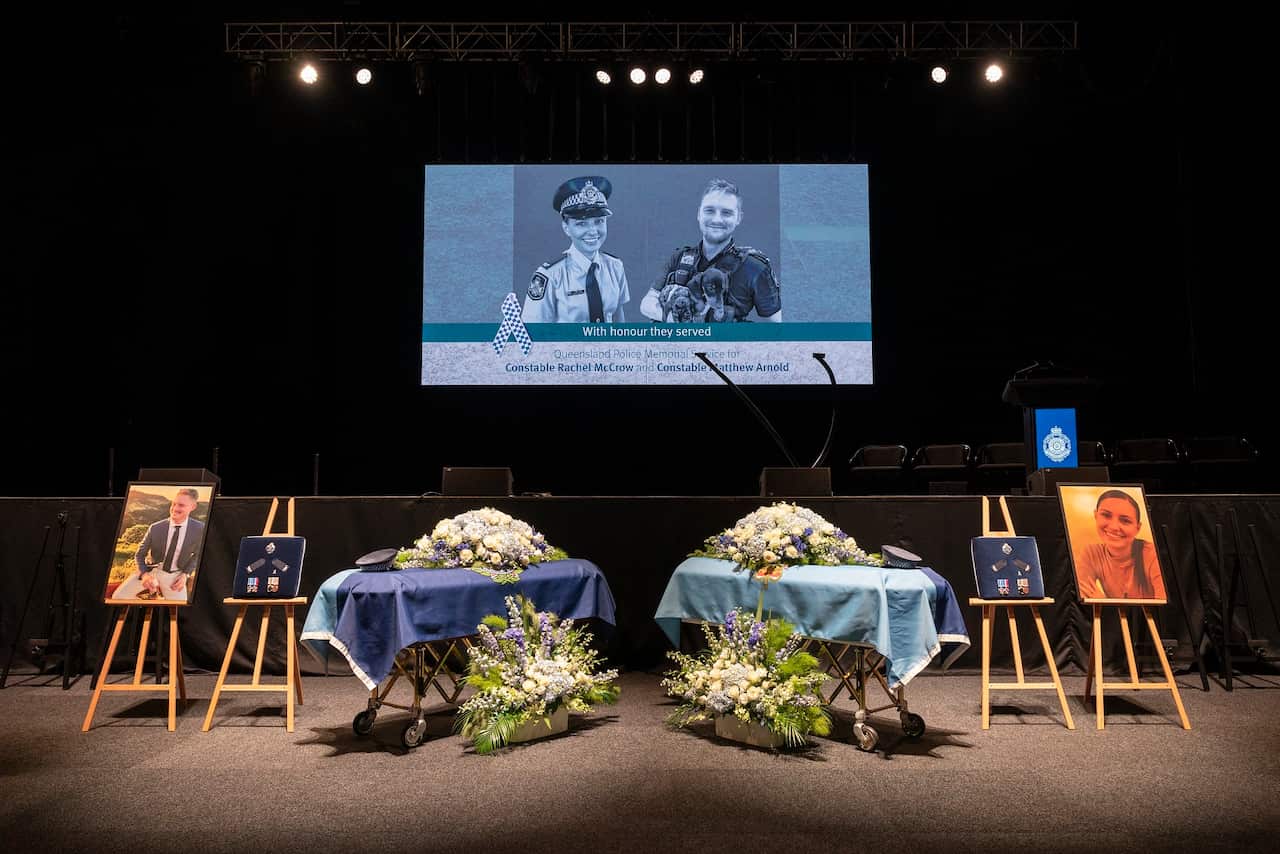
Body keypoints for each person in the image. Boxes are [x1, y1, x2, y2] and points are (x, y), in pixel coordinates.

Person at [640, 178, 781, 323]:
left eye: (726, 213)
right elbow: (646, 305)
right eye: (709, 211)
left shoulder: (755, 268)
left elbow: (778, 328)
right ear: (699, 214)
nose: (716, 220)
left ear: (738, 218)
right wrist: (679, 320)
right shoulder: (679, 257)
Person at [522, 176, 630, 323]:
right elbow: (533, 331)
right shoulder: (550, 276)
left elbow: (618, 321)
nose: (593, 231)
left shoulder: (615, 267)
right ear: (566, 228)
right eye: (582, 224)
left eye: (599, 221)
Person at [112, 488, 206, 601]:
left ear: (193, 507)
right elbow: (139, 554)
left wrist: (185, 575)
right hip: (151, 571)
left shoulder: (200, 528)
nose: (175, 508)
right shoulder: (155, 527)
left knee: (181, 608)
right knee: (118, 597)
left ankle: (156, 601)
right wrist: (145, 575)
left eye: (181, 505)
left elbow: (198, 554)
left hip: (175, 575)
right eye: (174, 504)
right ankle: (151, 604)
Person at [1072, 489, 1165, 600]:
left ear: (1137, 528)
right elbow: (1082, 597)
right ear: (1096, 516)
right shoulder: (1091, 553)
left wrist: (1104, 602)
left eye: (1125, 521)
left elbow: (1164, 609)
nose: (1114, 527)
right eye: (1106, 515)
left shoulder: (1152, 554)